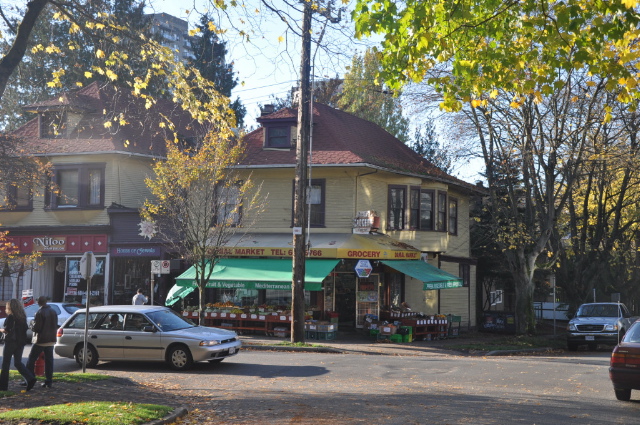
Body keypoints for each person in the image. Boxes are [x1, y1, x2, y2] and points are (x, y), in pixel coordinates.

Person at [0, 299, 37, 391]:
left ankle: (3, 386)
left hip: (11, 342)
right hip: (20, 342)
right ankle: (30, 378)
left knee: (6, 364)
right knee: (18, 362)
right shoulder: (22, 316)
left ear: (10, 307)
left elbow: (7, 330)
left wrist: (0, 330)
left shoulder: (11, 317)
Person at [26, 296, 58, 389]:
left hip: (40, 340)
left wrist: (31, 324)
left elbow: (37, 328)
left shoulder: (40, 312)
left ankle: (29, 378)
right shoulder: (53, 311)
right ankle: (49, 381)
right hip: (50, 340)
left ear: (38, 302)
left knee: (31, 359)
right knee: (49, 361)